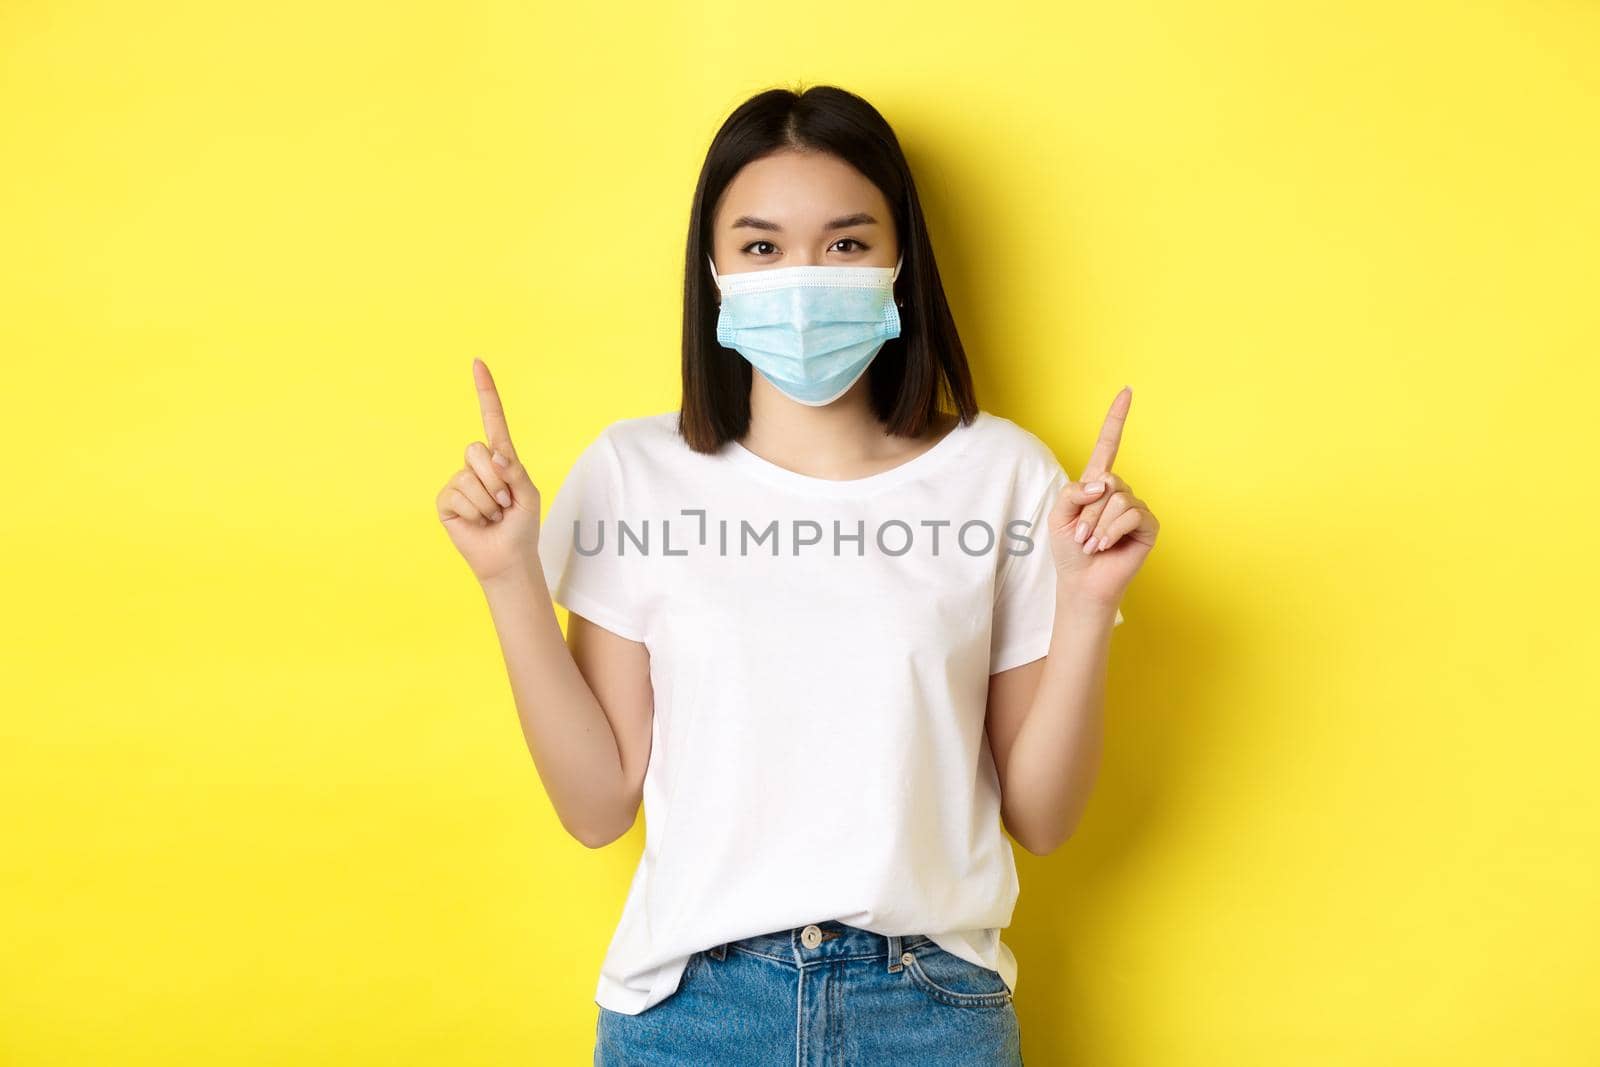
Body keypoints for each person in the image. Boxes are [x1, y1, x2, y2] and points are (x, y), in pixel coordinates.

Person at [434, 84, 1159, 1066]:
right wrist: (509, 574)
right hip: (689, 1014)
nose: (803, 276)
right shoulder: (634, 471)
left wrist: (1085, 605)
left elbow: (1044, 814)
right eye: (762, 246)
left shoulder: (1002, 474)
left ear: (899, 267)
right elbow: (597, 802)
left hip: (928, 1010)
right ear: (715, 269)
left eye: (847, 243)